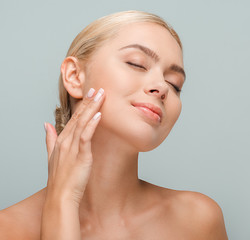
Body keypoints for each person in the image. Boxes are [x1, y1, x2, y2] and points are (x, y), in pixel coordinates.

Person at [0, 10, 228, 239]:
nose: (162, 87)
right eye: (137, 64)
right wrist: (62, 205)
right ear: (74, 76)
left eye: (175, 84)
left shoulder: (196, 221)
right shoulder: (8, 229)